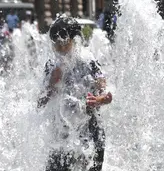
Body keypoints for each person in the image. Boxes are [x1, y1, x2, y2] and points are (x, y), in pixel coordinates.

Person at [38, 16, 112, 171]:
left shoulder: (88, 60)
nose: (61, 49)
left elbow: (104, 90)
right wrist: (52, 84)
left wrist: (100, 99)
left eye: (65, 44)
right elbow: (40, 103)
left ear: (75, 41)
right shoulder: (51, 66)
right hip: (61, 135)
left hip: (90, 131)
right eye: (57, 45)